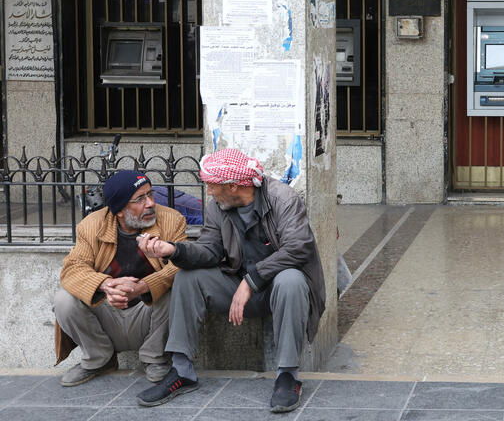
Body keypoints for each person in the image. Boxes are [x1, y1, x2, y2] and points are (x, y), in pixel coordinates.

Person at [135, 148, 326, 413]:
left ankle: (288, 376)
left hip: (280, 290)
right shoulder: (218, 207)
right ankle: (182, 370)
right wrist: (174, 250)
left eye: (212, 186)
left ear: (234, 185)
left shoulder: (282, 199)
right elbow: (210, 250)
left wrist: (251, 281)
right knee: (188, 278)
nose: (209, 192)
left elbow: (299, 247)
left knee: (290, 280)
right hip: (238, 284)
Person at [54, 170, 188, 387]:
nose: (151, 203)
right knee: (64, 299)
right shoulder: (91, 225)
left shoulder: (172, 220)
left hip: (149, 313)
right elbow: (72, 269)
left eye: (150, 194)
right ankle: (99, 359)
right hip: (107, 314)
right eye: (140, 199)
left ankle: (155, 358)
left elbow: (181, 265)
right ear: (119, 210)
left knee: (179, 287)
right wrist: (106, 285)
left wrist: (144, 286)